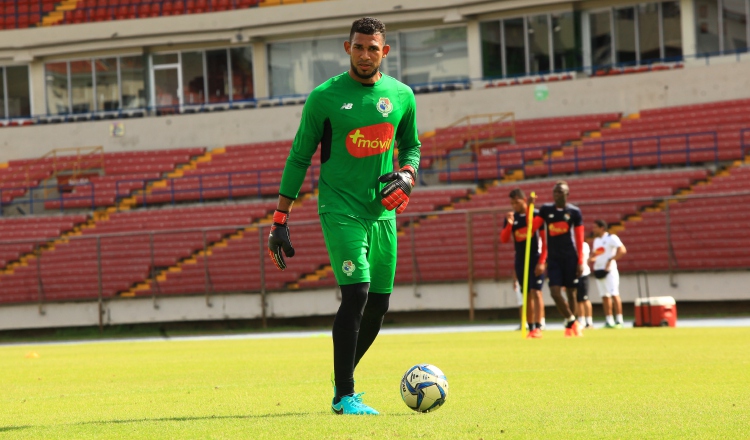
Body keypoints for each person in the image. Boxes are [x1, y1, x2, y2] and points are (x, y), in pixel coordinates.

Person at [267, 17, 421, 416]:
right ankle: (344, 395)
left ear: (384, 52)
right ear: (347, 48)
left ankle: (343, 377)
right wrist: (280, 219)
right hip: (339, 208)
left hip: (382, 215)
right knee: (357, 293)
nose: (366, 54)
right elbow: (300, 156)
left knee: (379, 306)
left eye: (373, 48)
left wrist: (407, 173)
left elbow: (413, 147)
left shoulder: (402, 95)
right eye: (359, 47)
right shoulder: (325, 97)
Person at [539, 181, 585, 337]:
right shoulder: (546, 210)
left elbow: (579, 239)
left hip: (570, 257)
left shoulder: (574, 212)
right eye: (555, 192)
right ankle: (572, 321)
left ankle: (570, 327)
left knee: (572, 293)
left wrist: (580, 261)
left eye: (560, 192)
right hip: (553, 259)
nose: (556, 194)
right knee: (554, 292)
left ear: (567, 194)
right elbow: (534, 225)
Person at [501, 189, 547, 338]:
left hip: (535, 257)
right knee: (525, 293)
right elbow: (504, 239)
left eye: (517, 202)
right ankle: (530, 326)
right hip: (520, 259)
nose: (514, 205)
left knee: (536, 291)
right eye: (512, 203)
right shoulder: (511, 217)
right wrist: (509, 225)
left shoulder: (536, 214)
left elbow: (540, 236)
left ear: (524, 200)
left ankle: (539, 325)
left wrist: (542, 261)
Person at [591, 219, 627, 328]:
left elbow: (622, 250)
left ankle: (619, 320)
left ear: (602, 228)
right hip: (599, 270)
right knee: (604, 296)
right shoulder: (596, 241)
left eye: (595, 227)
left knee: (614, 294)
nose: (593, 230)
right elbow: (596, 253)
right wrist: (591, 259)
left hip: (610, 271)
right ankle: (609, 320)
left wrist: (611, 260)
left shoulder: (611, 238)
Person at [576, 240, 593, 329]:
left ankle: (589, 321)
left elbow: (581, 256)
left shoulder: (584, 245)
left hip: (583, 274)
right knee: (578, 300)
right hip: (575, 275)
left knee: (585, 298)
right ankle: (581, 320)